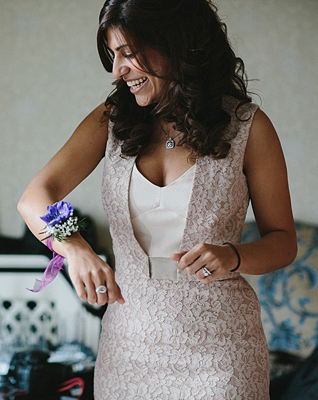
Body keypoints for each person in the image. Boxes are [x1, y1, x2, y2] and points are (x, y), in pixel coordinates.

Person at [17, 0, 297, 398]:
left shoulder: (247, 127)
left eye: (128, 54)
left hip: (221, 354)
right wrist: (75, 249)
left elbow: (283, 241)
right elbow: (34, 197)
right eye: (113, 56)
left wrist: (234, 255)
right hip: (128, 347)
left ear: (177, 44)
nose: (118, 71)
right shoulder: (111, 119)